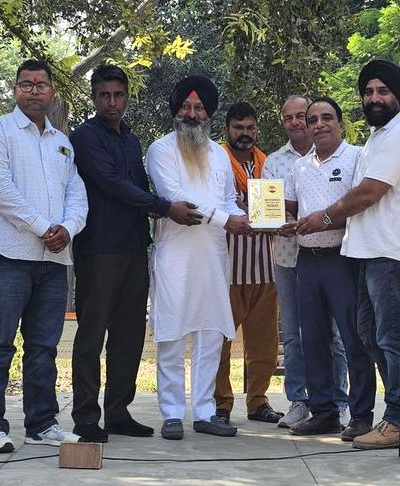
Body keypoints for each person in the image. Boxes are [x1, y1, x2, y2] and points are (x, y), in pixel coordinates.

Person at [296, 59, 400, 450]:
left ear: (398, 96)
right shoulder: (379, 137)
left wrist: (324, 217)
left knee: (392, 339)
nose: (374, 98)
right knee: (371, 337)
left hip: (390, 253)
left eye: (382, 91)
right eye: (368, 92)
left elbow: (370, 192)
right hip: (368, 254)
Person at [67, 65, 202, 443]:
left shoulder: (130, 139)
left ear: (127, 97)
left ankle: (118, 412)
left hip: (133, 247)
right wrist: (165, 206)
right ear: (94, 98)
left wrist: (165, 205)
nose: (112, 102)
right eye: (104, 95)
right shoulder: (85, 137)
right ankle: (86, 416)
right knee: (92, 334)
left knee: (129, 335)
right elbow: (111, 184)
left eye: (118, 95)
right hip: (99, 249)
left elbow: (139, 184)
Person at [0, 59, 88, 453]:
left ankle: (42, 423)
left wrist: (68, 228)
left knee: (43, 348)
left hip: (54, 261)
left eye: (41, 84)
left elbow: (77, 193)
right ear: (15, 89)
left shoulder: (62, 142)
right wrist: (44, 227)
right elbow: (0, 190)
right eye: (26, 84)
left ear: (52, 91)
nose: (34, 90)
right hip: (10, 256)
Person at [145, 75, 252, 440]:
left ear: (208, 113)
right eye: (186, 107)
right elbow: (177, 199)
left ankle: (205, 411)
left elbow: (226, 199)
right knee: (172, 334)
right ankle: (172, 413)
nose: (192, 114)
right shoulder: (160, 150)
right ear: (176, 111)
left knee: (210, 334)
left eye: (199, 108)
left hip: (213, 255)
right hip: (175, 256)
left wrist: (248, 217)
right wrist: (227, 219)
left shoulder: (219, 154)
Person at [283, 97, 377, 440]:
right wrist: (286, 220)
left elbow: (362, 204)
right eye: (313, 120)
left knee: (354, 338)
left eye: (326, 118)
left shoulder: (357, 158)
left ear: (340, 123)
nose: (319, 124)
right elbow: (290, 208)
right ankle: (324, 412)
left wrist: (323, 220)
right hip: (307, 261)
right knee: (312, 339)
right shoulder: (299, 168)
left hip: (344, 259)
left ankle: (361, 415)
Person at [263, 96, 350, 429]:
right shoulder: (274, 162)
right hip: (288, 256)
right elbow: (269, 210)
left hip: (332, 256)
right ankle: (299, 401)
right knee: (295, 335)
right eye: (290, 118)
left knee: (335, 335)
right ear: (283, 123)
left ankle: (339, 402)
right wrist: (282, 220)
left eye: (304, 116)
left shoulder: (339, 155)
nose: (298, 122)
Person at [214, 102, 283, 425]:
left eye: (250, 127)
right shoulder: (216, 161)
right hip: (227, 268)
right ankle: (221, 403)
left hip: (265, 265)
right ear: (227, 129)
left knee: (264, 344)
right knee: (219, 343)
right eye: (238, 127)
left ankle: (257, 402)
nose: (245, 133)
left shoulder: (267, 164)